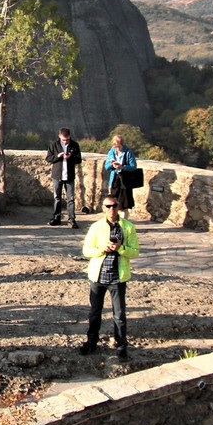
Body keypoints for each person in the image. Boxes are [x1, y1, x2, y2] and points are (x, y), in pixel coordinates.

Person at [79, 194, 140, 360]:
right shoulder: (96, 227)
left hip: (118, 277)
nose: (111, 209)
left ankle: (121, 345)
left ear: (118, 207)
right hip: (98, 277)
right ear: (103, 208)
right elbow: (87, 251)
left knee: (119, 315)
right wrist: (101, 249)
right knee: (94, 313)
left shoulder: (127, 227)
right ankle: (91, 342)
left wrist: (121, 248)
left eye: (114, 206)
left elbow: (135, 251)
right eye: (108, 206)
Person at [45, 128, 82, 228]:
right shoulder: (54, 145)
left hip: (69, 176)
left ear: (70, 137)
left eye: (67, 139)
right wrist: (58, 156)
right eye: (63, 139)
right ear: (59, 137)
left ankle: (71, 219)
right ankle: (56, 218)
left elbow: (79, 159)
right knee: (57, 198)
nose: (65, 141)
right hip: (57, 175)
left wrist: (71, 157)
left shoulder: (74, 145)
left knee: (71, 198)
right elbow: (48, 158)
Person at [104, 134, 138, 211]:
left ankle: (123, 222)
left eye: (119, 147)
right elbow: (106, 167)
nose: (117, 149)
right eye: (115, 147)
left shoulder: (128, 152)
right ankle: (115, 220)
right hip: (115, 179)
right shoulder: (111, 152)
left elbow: (133, 167)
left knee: (124, 205)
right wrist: (111, 164)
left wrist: (122, 167)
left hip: (125, 180)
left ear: (122, 144)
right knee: (113, 202)